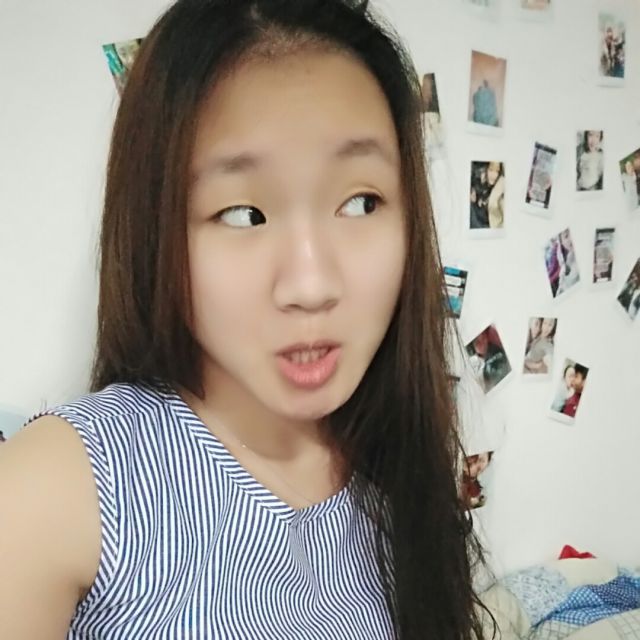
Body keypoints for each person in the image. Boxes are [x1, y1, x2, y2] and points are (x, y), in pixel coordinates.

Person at [0, 1, 491, 639]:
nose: (311, 285)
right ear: (157, 231)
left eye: (360, 202)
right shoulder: (64, 486)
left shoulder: (395, 475)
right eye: (242, 215)